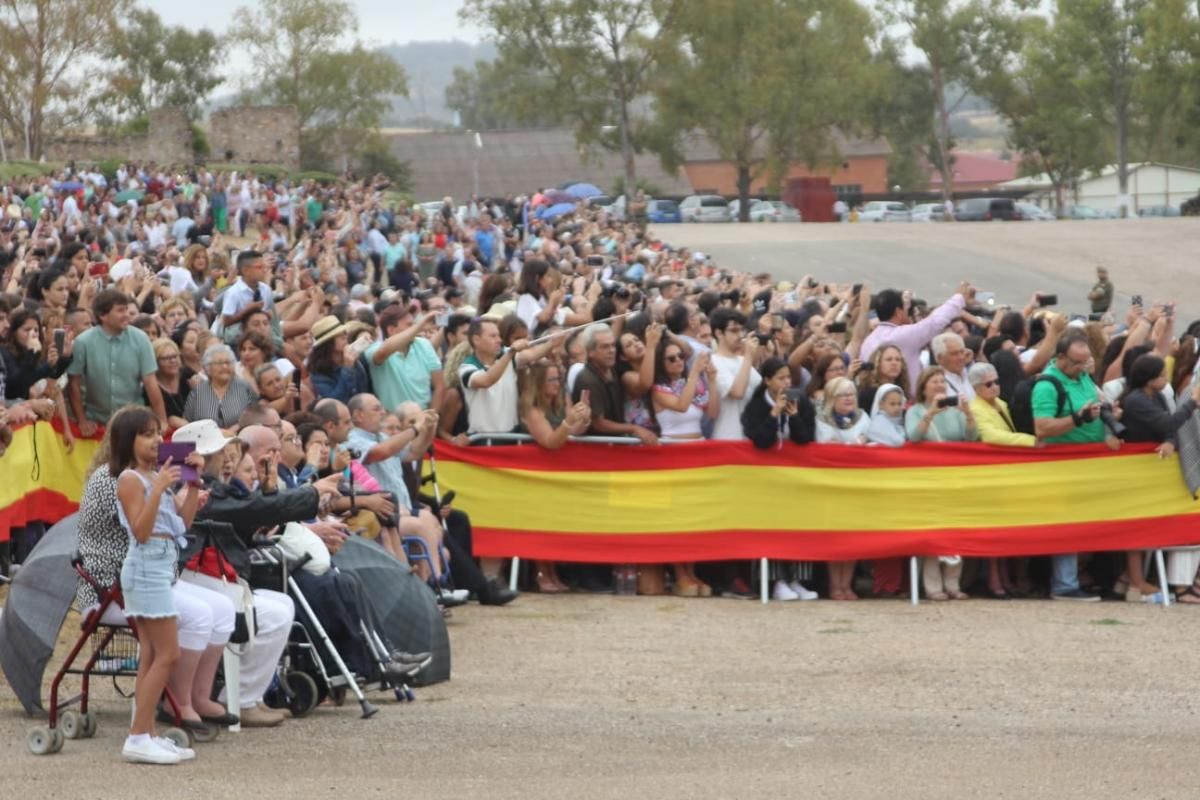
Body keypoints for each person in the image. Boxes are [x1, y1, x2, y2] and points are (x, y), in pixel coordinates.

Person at [110, 407, 205, 764]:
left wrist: (192, 488)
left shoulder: (154, 476)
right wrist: (161, 488)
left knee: (151, 654)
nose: (156, 441)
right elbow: (141, 530)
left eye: (157, 434)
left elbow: (181, 525)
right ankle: (137, 736)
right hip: (146, 565)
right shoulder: (132, 479)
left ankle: (146, 732)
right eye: (146, 435)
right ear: (128, 441)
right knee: (169, 654)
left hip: (161, 564)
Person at [1032, 332, 1112, 602]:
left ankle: (1075, 578)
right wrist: (1078, 419)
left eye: (1085, 362)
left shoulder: (1083, 377)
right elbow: (1042, 427)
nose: (1082, 368)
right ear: (1060, 358)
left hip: (1087, 464)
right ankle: (1065, 584)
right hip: (1062, 465)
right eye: (1076, 363)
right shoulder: (1047, 384)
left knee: (1082, 523)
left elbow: (1097, 406)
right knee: (1068, 523)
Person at [1118, 353, 1200, 602]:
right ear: (1148, 379)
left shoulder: (1159, 397)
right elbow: (1169, 421)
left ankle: (1129, 580)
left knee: (1146, 524)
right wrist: (1192, 403)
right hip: (1134, 469)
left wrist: (1168, 441)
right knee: (1134, 525)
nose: (1166, 378)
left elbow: (1169, 427)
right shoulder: (1136, 400)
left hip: (1150, 469)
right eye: (1161, 375)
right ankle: (1135, 581)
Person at [68, 289, 168, 435]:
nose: (126, 315)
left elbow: (150, 382)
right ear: (103, 315)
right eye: (120, 311)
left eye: (127, 309)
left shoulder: (140, 339)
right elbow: (74, 383)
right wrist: (82, 420)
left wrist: (162, 420)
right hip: (97, 420)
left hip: (134, 421)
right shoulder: (83, 342)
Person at [860, 282, 972, 395]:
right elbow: (934, 322)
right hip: (905, 402)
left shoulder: (868, 341)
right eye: (905, 308)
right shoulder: (902, 335)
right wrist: (959, 298)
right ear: (898, 312)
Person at [459, 317, 557, 435]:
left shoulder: (506, 354)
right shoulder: (467, 367)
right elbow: (487, 381)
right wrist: (510, 354)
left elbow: (532, 354)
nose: (499, 340)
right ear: (476, 340)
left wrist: (552, 342)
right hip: (484, 440)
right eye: (493, 336)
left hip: (512, 434)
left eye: (499, 335)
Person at [572, 323, 658, 443]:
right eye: (605, 347)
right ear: (590, 352)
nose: (612, 350)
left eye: (613, 345)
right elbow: (599, 424)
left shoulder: (611, 368)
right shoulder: (587, 379)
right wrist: (634, 429)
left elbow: (643, 384)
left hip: (616, 443)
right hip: (598, 448)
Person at [366, 305, 443, 412]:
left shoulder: (424, 344)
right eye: (409, 325)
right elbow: (383, 352)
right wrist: (419, 326)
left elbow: (440, 386)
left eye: (414, 324)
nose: (415, 329)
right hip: (393, 422)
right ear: (391, 330)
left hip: (423, 416)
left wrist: (431, 417)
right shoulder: (374, 348)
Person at [709, 308, 761, 441]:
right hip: (728, 438)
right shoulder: (713, 361)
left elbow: (762, 390)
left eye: (741, 330)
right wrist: (749, 356)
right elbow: (737, 392)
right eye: (734, 331)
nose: (740, 335)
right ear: (719, 333)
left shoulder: (742, 361)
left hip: (750, 438)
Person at [651, 344, 718, 441]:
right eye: (672, 358)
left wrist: (712, 380)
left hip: (699, 444)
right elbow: (682, 406)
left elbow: (712, 414)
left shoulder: (693, 383)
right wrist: (695, 371)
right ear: (660, 363)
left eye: (681, 355)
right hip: (674, 447)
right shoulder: (658, 389)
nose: (678, 360)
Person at [183, 345, 258, 431]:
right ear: (208, 368)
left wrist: (237, 427)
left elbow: (256, 415)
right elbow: (188, 421)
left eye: (228, 362)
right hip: (208, 440)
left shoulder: (244, 387)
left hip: (241, 438)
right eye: (219, 363)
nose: (225, 367)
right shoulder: (198, 392)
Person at [904, 367, 977, 444]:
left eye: (943, 381)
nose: (940, 385)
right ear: (923, 389)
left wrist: (968, 414)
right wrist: (930, 414)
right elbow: (914, 437)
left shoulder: (955, 409)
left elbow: (972, 437)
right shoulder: (914, 411)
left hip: (954, 454)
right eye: (935, 382)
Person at [816, 377, 870, 445]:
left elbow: (870, 441)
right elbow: (826, 445)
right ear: (832, 398)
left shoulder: (863, 416)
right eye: (844, 395)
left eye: (852, 394)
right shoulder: (822, 419)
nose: (849, 398)